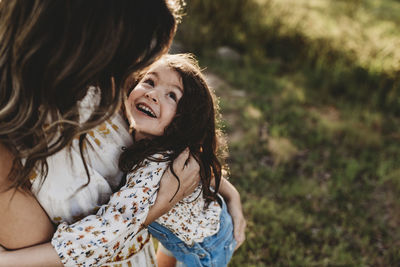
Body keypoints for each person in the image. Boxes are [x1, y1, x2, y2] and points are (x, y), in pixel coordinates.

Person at [0, 0, 203, 266]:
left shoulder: (108, 81)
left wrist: (220, 189)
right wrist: (155, 207)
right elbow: (62, 256)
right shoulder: (10, 147)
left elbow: (174, 153)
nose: (133, 67)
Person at [0, 53, 246, 266]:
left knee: (176, 251)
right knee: (169, 248)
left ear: (184, 121)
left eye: (171, 95)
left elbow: (108, 233)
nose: (152, 94)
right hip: (183, 224)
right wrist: (232, 195)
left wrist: (7, 262)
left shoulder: (156, 167)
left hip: (206, 245)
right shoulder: (149, 137)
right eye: (149, 81)